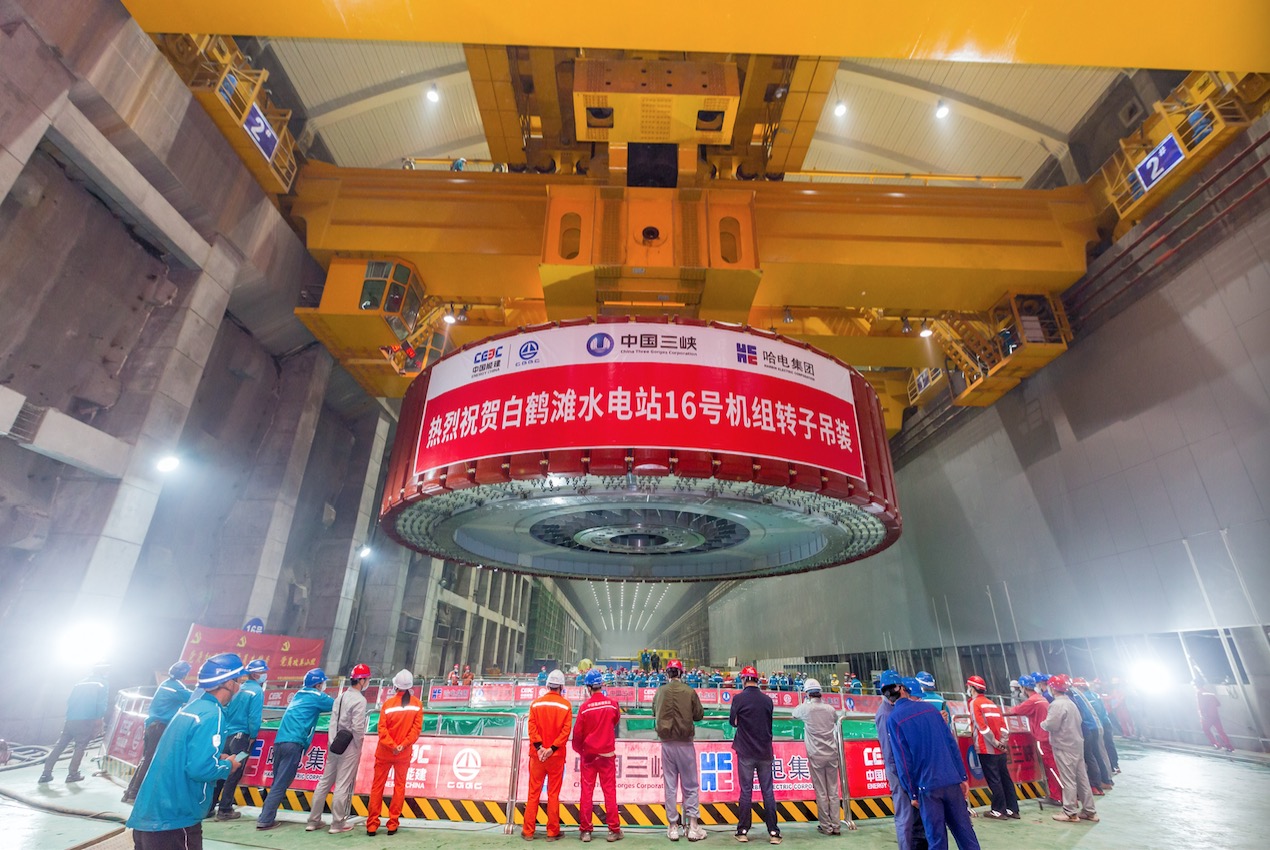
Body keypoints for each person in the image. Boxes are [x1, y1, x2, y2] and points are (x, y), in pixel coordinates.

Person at [126, 653, 246, 850]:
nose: (239, 687)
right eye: (238, 681)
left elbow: (183, 754)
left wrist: (215, 757)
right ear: (228, 683)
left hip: (150, 814)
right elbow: (201, 769)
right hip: (174, 820)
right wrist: (227, 765)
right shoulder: (212, 714)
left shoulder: (192, 708)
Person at [886, 677, 981, 850]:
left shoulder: (894, 719)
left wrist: (912, 792)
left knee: (937, 841)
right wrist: (962, 776)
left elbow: (903, 761)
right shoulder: (930, 709)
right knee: (966, 834)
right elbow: (951, 744)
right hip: (951, 781)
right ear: (903, 690)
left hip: (927, 787)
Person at [256, 667, 334, 830]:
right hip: (294, 743)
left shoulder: (298, 694)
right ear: (318, 685)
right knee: (281, 783)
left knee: (277, 782)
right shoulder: (316, 696)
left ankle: (266, 815)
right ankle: (265, 819)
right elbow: (337, 705)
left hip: (279, 742)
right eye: (323, 683)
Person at [307, 664, 370, 834]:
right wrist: (359, 744)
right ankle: (337, 823)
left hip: (334, 744)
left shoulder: (340, 697)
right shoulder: (359, 700)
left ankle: (313, 820)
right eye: (367, 679)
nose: (368, 682)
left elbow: (333, 722)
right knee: (342, 784)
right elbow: (357, 727)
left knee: (324, 782)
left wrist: (331, 742)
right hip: (349, 746)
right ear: (361, 681)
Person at [653, 658, 706, 842]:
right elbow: (699, 714)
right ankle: (693, 827)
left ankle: (673, 827)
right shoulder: (689, 691)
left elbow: (654, 711)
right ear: (681, 673)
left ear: (667, 674)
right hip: (685, 744)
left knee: (670, 786)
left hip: (667, 744)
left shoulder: (660, 692)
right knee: (690, 785)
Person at [123, 661, 191, 803]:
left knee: (145, 759)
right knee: (150, 760)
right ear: (184, 674)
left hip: (151, 726)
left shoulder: (166, 684)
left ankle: (130, 792)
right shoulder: (176, 688)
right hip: (159, 727)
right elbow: (193, 697)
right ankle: (134, 793)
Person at [792, 677, 853, 836]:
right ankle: (836, 825)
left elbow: (794, 713)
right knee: (833, 791)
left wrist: (805, 702)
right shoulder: (830, 709)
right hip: (831, 753)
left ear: (807, 694)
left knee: (821, 792)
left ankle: (826, 826)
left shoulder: (805, 709)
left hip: (816, 755)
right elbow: (835, 720)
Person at [729, 665, 781, 845]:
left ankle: (743, 831)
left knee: (746, 791)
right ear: (757, 680)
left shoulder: (739, 699)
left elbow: (732, 722)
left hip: (746, 752)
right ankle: (773, 832)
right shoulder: (767, 700)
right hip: (765, 751)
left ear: (743, 679)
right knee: (768, 792)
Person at [210, 658, 267, 820]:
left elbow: (226, 710)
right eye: (263, 672)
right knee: (234, 772)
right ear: (256, 674)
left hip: (228, 737)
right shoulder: (256, 692)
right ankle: (225, 809)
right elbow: (254, 718)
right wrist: (253, 736)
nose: (265, 675)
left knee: (221, 770)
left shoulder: (237, 689)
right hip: (241, 739)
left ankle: (208, 806)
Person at [368, 670, 423, 836]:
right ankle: (393, 823)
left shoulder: (388, 704)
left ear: (395, 685)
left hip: (384, 752)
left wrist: (392, 745)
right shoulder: (417, 705)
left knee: (377, 787)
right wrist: (402, 745)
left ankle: (372, 825)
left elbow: (382, 729)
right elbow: (416, 730)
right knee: (399, 787)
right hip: (403, 754)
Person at [875, 672, 925, 850]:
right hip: (899, 770)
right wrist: (902, 775)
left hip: (909, 768)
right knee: (905, 816)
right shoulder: (885, 715)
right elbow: (889, 752)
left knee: (917, 814)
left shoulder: (897, 709)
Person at [1039, 674, 1098, 824]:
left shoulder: (1057, 705)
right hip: (1076, 745)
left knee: (1068, 780)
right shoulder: (1071, 703)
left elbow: (1051, 725)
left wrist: (1042, 724)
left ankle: (1070, 812)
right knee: (1082, 779)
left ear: (1053, 688)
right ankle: (1089, 811)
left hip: (1064, 746)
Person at [573, 668, 623, 843]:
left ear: (588, 687)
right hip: (607, 755)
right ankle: (614, 830)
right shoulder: (612, 704)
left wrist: (582, 751)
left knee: (587, 793)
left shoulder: (584, 708)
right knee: (609, 792)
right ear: (601, 685)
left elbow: (577, 735)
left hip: (589, 756)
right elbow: (615, 721)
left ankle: (586, 831)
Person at [40, 662, 110, 784]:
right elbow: (101, 703)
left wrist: (71, 715)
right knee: (80, 746)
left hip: (71, 718)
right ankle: (72, 774)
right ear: (103, 671)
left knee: (60, 746)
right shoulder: (102, 683)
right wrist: (99, 719)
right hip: (86, 719)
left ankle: (46, 773)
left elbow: (69, 700)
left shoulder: (80, 683)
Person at [523, 669, 572, 841]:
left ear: (547, 685)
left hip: (537, 757)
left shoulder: (535, 704)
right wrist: (552, 749)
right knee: (553, 794)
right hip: (556, 757)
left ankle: (528, 831)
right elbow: (566, 731)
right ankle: (552, 832)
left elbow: (531, 728)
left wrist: (539, 748)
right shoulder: (566, 706)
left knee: (533, 793)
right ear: (561, 687)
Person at [965, 676, 1017, 820]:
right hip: (1000, 748)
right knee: (1005, 778)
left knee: (994, 779)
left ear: (972, 688)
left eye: (969, 687)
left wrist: (994, 742)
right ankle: (1012, 809)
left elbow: (981, 726)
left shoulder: (974, 703)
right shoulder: (991, 703)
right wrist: (1002, 742)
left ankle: (998, 810)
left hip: (986, 747)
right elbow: (1003, 726)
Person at [1007, 675, 1061, 805]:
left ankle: (1058, 796)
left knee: (1050, 768)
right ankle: (1058, 795)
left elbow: (1015, 710)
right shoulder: (1041, 698)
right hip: (1049, 737)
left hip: (1042, 738)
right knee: (1052, 767)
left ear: (1023, 688)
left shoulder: (1033, 701)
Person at [1068, 680, 1112, 791]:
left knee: (1091, 756)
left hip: (1089, 727)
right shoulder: (1083, 694)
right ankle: (1105, 780)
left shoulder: (1073, 695)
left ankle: (1099, 783)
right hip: (1096, 725)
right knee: (1097, 754)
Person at [1078, 679, 1120, 773]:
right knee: (1108, 745)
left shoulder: (1084, 698)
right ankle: (1114, 766)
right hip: (1104, 722)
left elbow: (1094, 713)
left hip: (1099, 724)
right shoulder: (1094, 694)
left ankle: (1109, 769)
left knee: (1100, 749)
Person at [1196, 680, 1234, 752]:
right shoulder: (1209, 692)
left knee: (1205, 729)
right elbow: (1218, 703)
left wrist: (1202, 715)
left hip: (1207, 716)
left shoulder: (1199, 693)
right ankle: (1229, 746)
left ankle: (1216, 744)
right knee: (1220, 731)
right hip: (1215, 715)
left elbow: (1201, 705)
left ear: (1196, 685)